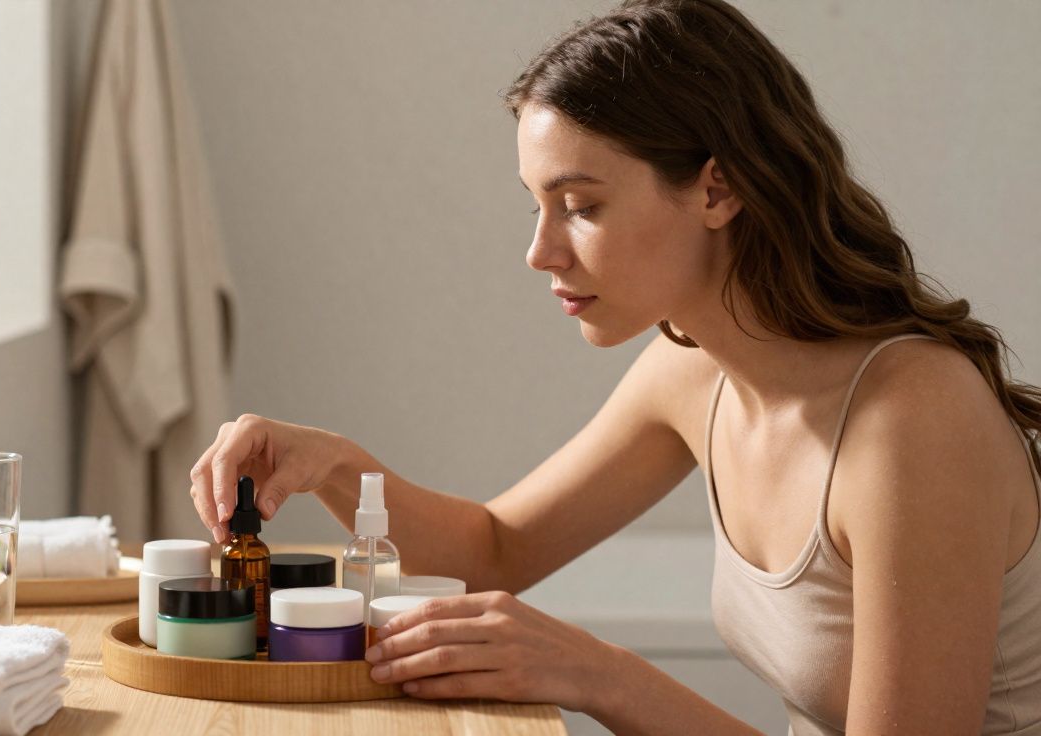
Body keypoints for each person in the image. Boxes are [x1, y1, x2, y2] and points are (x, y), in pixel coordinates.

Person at [187, 1, 1041, 732]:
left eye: (580, 206)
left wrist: (602, 676)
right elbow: (496, 550)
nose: (539, 252)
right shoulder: (695, 374)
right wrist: (333, 463)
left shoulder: (914, 420)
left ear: (717, 190)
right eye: (537, 206)